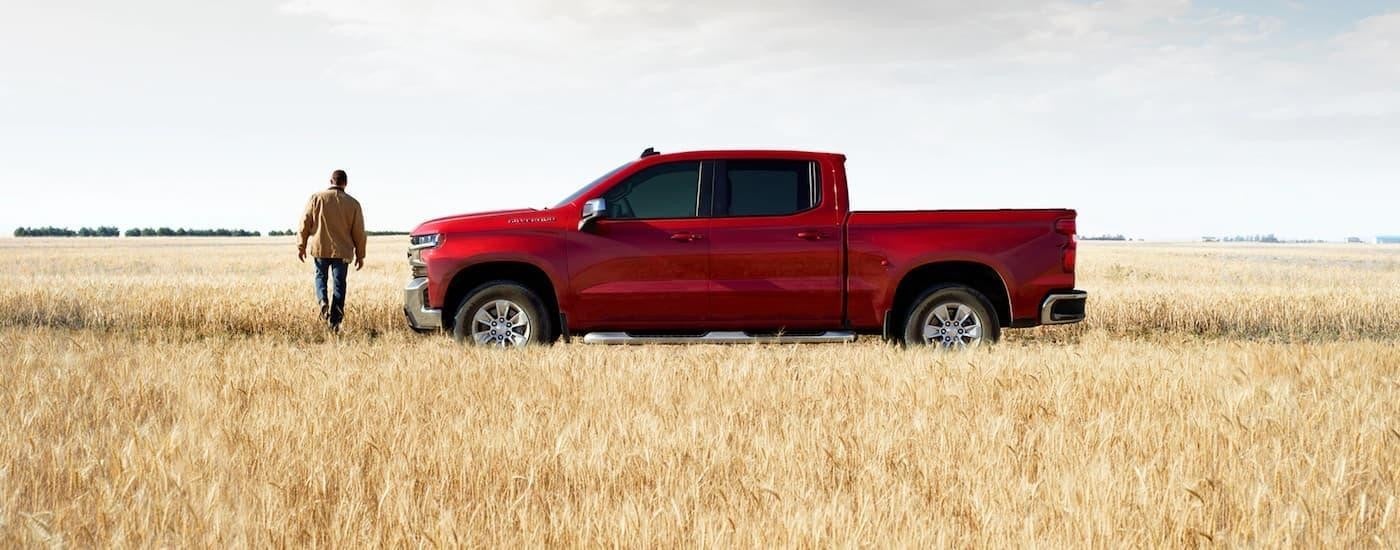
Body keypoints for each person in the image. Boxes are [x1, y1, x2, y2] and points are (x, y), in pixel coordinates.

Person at [297, 169, 367, 332]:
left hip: (320, 248)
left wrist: (301, 246)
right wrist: (360, 255)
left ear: (330, 181)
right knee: (339, 285)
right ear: (346, 183)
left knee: (320, 276)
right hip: (342, 251)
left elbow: (304, 223)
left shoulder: (316, 198)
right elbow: (359, 232)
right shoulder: (353, 204)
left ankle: (323, 301)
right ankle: (335, 323)